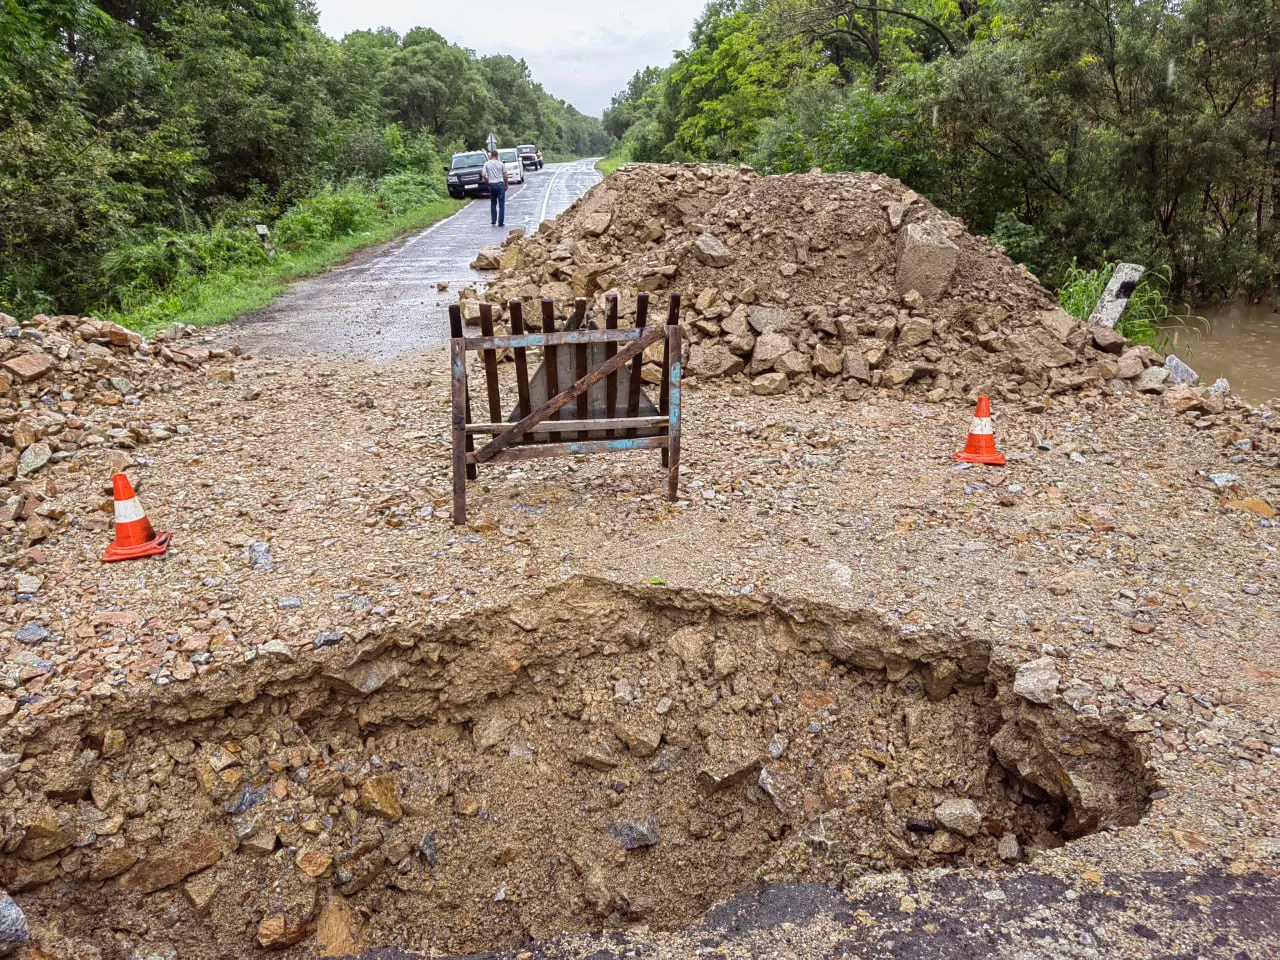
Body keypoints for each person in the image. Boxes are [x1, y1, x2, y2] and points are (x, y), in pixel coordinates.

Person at [481, 150, 508, 227]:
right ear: (497, 155)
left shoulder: (487, 164)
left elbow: (483, 174)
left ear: (491, 155)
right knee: (501, 204)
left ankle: (493, 220)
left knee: (493, 202)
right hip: (500, 184)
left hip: (491, 184)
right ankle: (500, 222)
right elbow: (505, 175)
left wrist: (487, 181)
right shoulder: (501, 164)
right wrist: (506, 184)